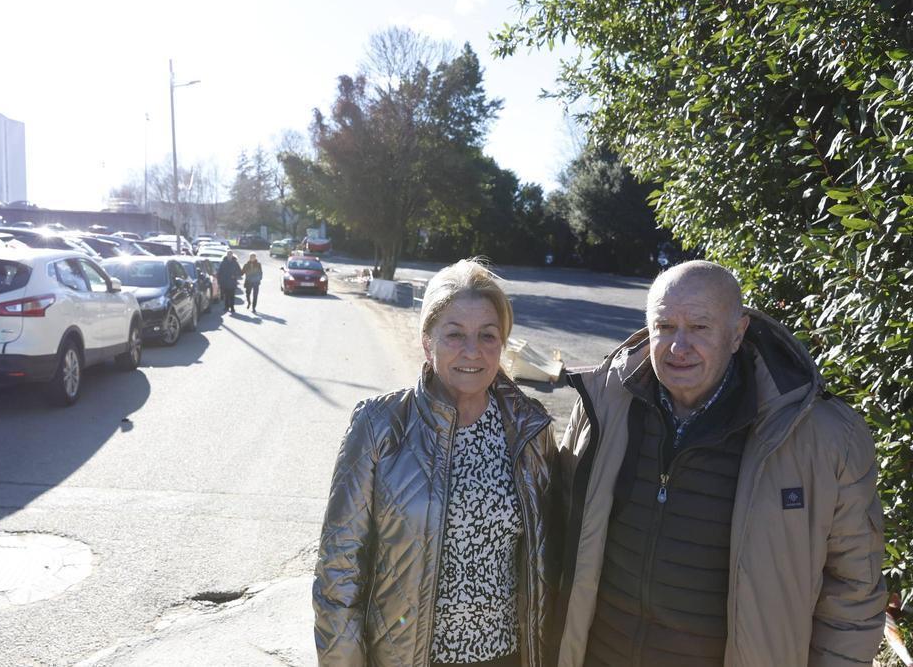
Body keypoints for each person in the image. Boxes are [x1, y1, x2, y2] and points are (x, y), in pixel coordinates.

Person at [552, 260, 885, 666]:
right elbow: (557, 537)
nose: (678, 346)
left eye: (699, 327)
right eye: (665, 327)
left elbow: (853, 593)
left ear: (736, 333)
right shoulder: (602, 406)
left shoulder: (822, 437)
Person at [314, 259, 557, 667]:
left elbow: (548, 561)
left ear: (503, 343)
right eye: (454, 335)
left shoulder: (530, 430)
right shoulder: (379, 427)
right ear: (427, 341)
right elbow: (339, 570)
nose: (472, 351)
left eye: (487, 336)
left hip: (508, 657)